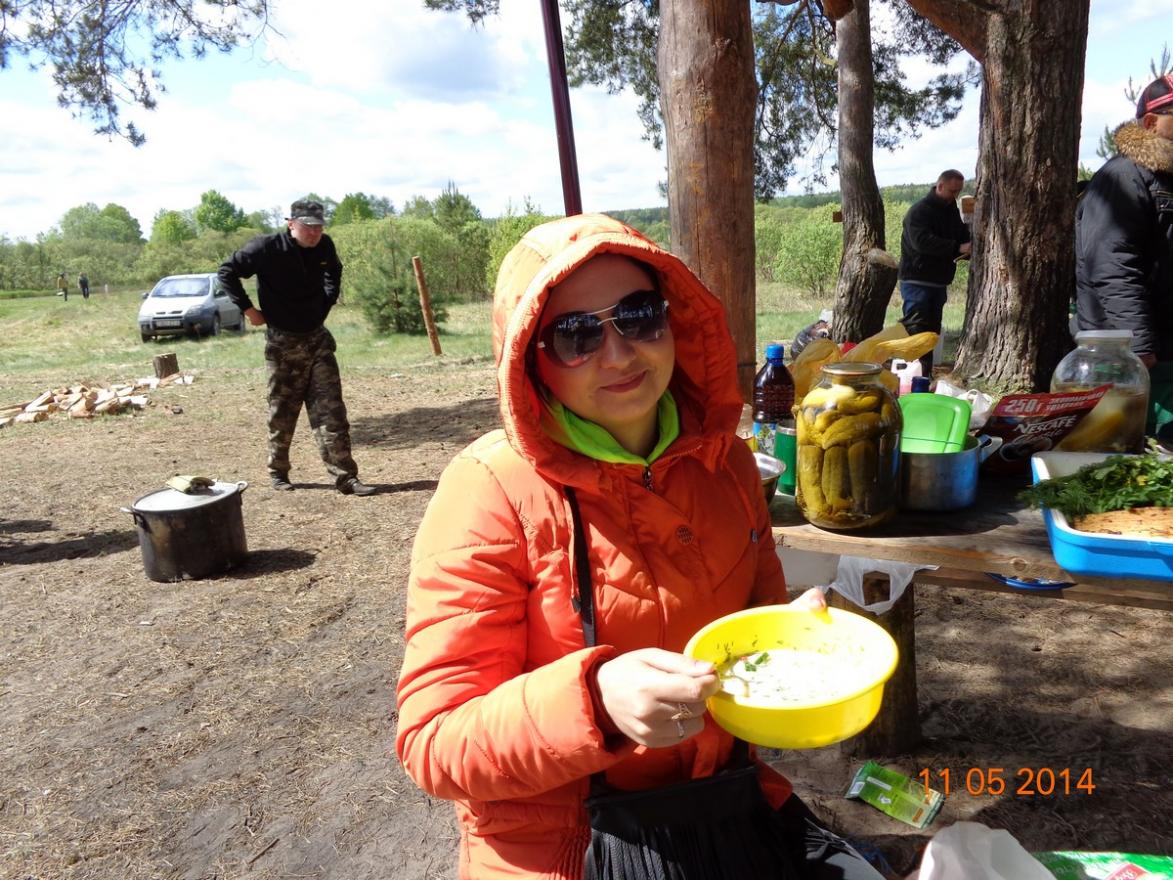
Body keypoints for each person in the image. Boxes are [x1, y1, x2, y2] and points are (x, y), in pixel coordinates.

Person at [395, 214, 886, 880]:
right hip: (562, 849)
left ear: (674, 321)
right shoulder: (490, 490)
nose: (619, 354)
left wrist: (787, 641)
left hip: (723, 811)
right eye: (575, 335)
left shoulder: (725, 462)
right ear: (530, 359)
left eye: (638, 316)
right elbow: (433, 743)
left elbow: (750, 627)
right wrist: (594, 702)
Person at [218, 199, 375, 496]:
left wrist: (326, 301)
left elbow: (334, 272)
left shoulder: (325, 246)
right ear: (291, 224)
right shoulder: (265, 248)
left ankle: (346, 477)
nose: (314, 233)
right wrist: (249, 310)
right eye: (307, 227)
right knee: (283, 412)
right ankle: (278, 471)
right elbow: (227, 271)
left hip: (318, 341)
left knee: (332, 413)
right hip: (283, 344)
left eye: (318, 227)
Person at [1075, 73, 1173, 434]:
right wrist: (1139, 347)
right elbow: (1113, 267)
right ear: (1151, 123)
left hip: (1165, 344)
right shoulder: (1122, 177)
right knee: (1135, 444)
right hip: (1134, 352)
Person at [897, 169, 972, 374]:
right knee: (916, 329)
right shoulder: (919, 211)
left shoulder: (951, 210)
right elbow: (922, 242)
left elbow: (960, 233)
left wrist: (969, 243)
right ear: (940, 186)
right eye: (952, 191)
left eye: (958, 191)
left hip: (939, 281)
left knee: (932, 331)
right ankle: (912, 374)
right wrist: (957, 247)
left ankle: (925, 373)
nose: (955, 195)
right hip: (917, 280)